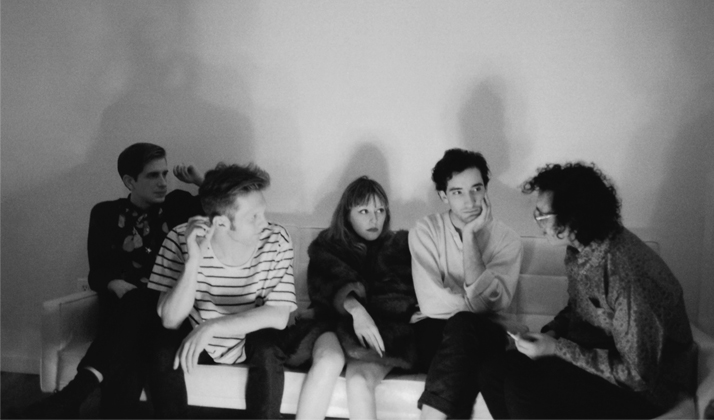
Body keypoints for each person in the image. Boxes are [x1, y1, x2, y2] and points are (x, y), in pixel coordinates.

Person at [483, 162, 696, 418]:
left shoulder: (626, 274)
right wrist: (550, 333)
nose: (538, 224)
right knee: (494, 371)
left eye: (543, 217)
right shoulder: (580, 249)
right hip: (599, 353)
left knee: (525, 385)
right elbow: (578, 309)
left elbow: (638, 375)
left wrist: (557, 349)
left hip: (646, 390)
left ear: (574, 219)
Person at [17, 143, 204, 419]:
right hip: (122, 316)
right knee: (119, 399)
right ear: (130, 181)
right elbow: (97, 272)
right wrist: (111, 283)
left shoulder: (178, 205)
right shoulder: (105, 214)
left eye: (165, 174)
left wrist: (200, 181)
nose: (163, 182)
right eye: (153, 175)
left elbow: (226, 204)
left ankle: (74, 394)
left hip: (167, 313)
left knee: (139, 303)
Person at [146, 162, 297, 419]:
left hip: (249, 334)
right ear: (221, 223)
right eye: (253, 217)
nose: (265, 223)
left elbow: (279, 315)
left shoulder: (276, 239)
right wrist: (193, 262)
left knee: (268, 348)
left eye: (263, 212)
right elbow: (170, 320)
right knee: (161, 347)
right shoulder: (178, 239)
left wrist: (212, 327)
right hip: (196, 335)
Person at [409, 148, 523, 419]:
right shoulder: (425, 231)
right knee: (469, 351)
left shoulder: (508, 240)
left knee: (467, 337)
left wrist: (470, 237)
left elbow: (495, 302)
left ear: (486, 190)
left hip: (486, 335)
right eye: (458, 192)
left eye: (476, 189)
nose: (470, 201)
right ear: (443, 196)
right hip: (434, 332)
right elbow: (432, 304)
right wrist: (480, 308)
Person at [297, 176, 416, 419]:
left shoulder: (397, 249)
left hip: (381, 332)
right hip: (330, 326)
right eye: (364, 211)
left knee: (358, 380)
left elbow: (399, 302)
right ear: (347, 214)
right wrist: (356, 309)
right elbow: (326, 289)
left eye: (380, 210)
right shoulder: (327, 247)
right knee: (328, 361)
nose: (375, 219)